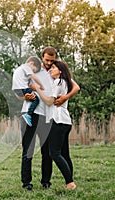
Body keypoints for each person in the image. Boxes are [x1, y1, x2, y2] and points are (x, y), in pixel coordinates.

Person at [19, 46, 80, 191]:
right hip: (30, 114)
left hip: (47, 117)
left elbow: (76, 87)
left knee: (47, 152)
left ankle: (46, 182)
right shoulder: (33, 69)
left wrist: (65, 97)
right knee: (28, 150)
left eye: (51, 61)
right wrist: (24, 96)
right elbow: (19, 90)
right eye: (47, 60)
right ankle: (26, 183)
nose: (48, 63)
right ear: (42, 57)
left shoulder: (56, 71)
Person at [30, 60, 77, 189]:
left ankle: (70, 182)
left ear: (60, 71)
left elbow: (50, 101)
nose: (51, 69)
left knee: (54, 153)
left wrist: (37, 90)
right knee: (65, 154)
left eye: (54, 68)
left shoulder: (58, 82)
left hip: (57, 121)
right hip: (65, 121)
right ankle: (70, 180)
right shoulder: (65, 82)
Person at [12, 56, 44, 126]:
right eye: (34, 70)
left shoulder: (20, 69)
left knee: (32, 98)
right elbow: (34, 77)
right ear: (31, 63)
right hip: (22, 88)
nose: (33, 72)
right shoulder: (26, 67)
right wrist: (41, 86)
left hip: (16, 89)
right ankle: (28, 114)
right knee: (36, 100)